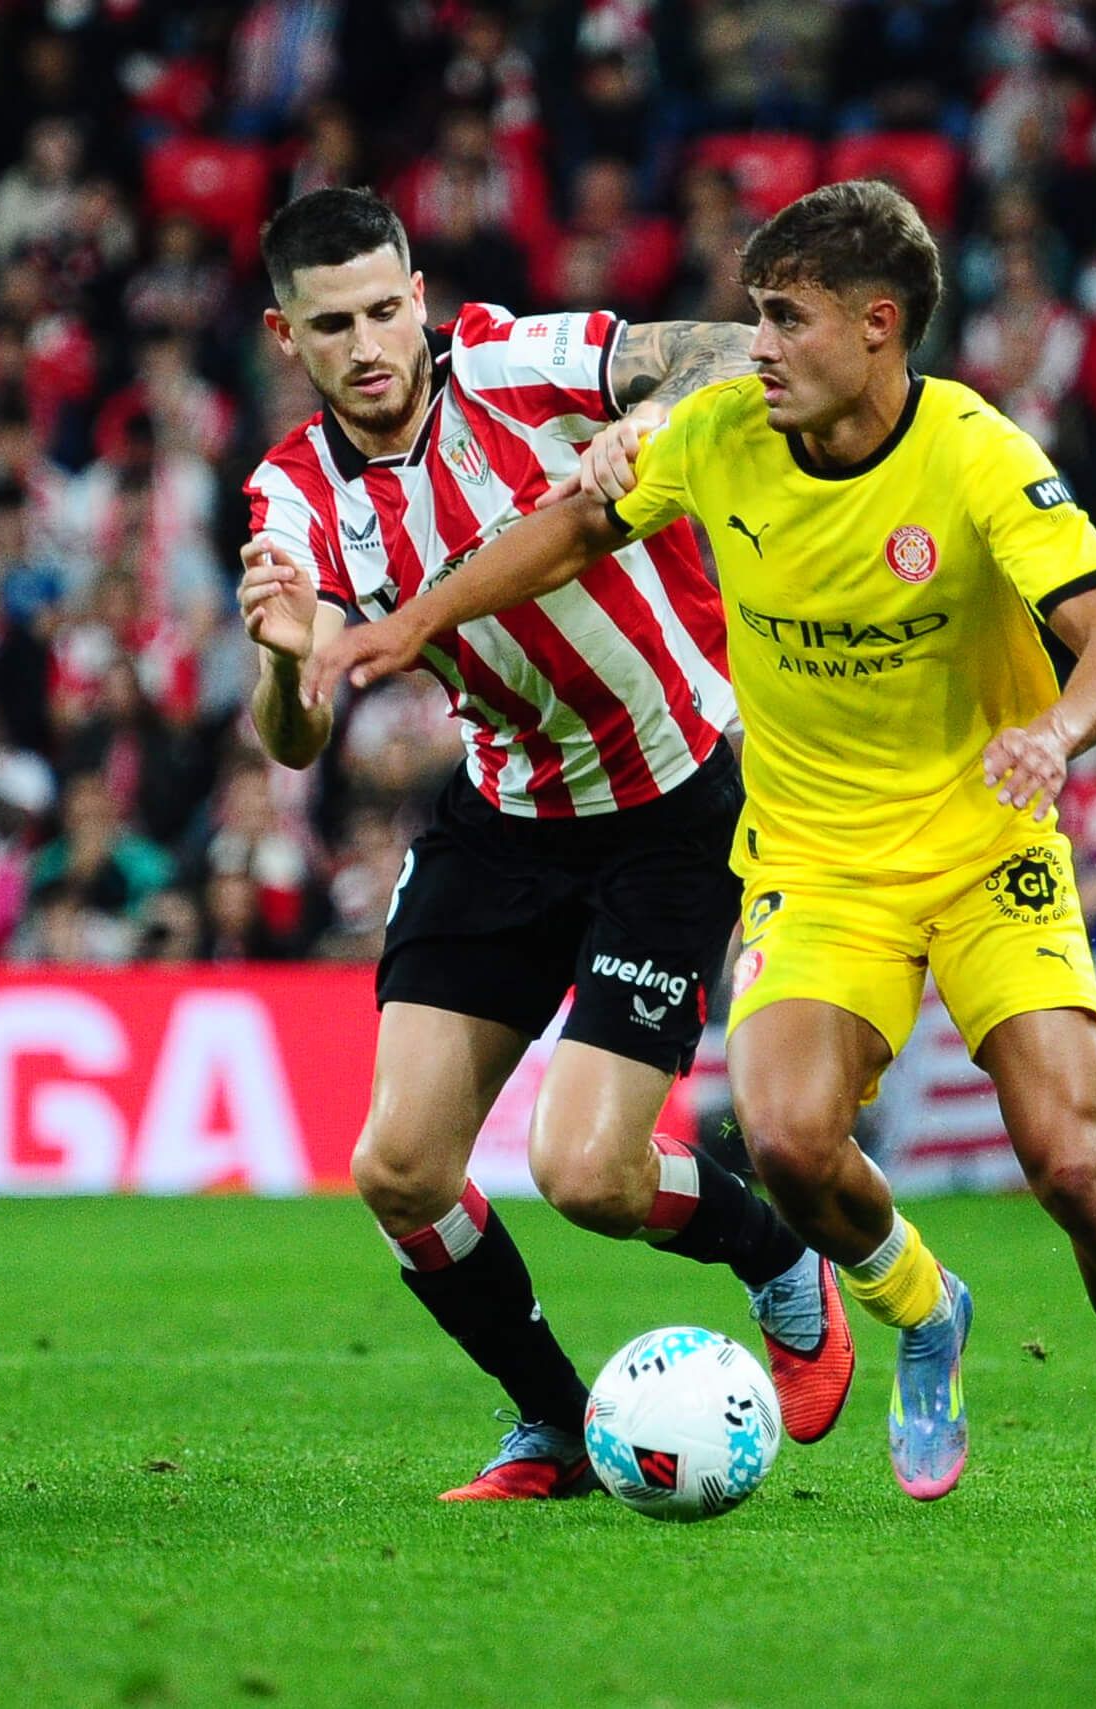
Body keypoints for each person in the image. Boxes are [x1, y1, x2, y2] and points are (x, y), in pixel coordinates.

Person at [310, 179, 1096, 1522]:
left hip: (989, 846)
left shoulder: (978, 454)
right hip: (817, 866)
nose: (751, 343)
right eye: (754, 314)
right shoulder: (719, 433)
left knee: (1070, 1162)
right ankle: (924, 1311)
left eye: (784, 318)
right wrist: (417, 625)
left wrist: (1055, 733)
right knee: (789, 1141)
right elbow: (577, 528)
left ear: (877, 328)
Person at [240, 187, 852, 1502]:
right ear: (285, 335)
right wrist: (290, 670)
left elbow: (730, 350)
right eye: (330, 322)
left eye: (384, 309)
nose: (366, 344)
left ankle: (776, 1258)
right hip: (503, 819)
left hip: (673, 801)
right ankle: (555, 1425)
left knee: (587, 1174)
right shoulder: (292, 496)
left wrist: (642, 420)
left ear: (419, 297)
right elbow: (290, 737)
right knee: (397, 1167)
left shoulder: (518, 364)